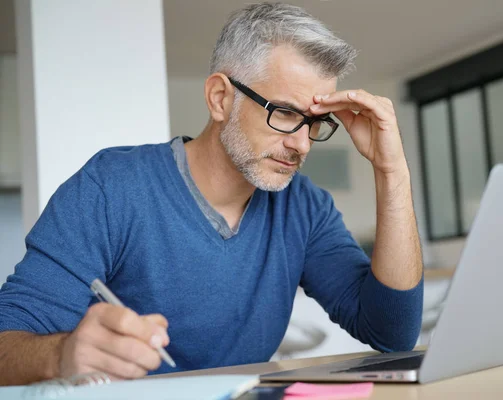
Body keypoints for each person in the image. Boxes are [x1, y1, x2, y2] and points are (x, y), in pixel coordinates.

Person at [0, 2, 423, 385]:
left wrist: (392, 172)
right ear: (220, 98)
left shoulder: (304, 207)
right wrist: (62, 354)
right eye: (286, 114)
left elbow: (392, 333)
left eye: (314, 123)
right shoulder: (110, 188)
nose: (303, 144)